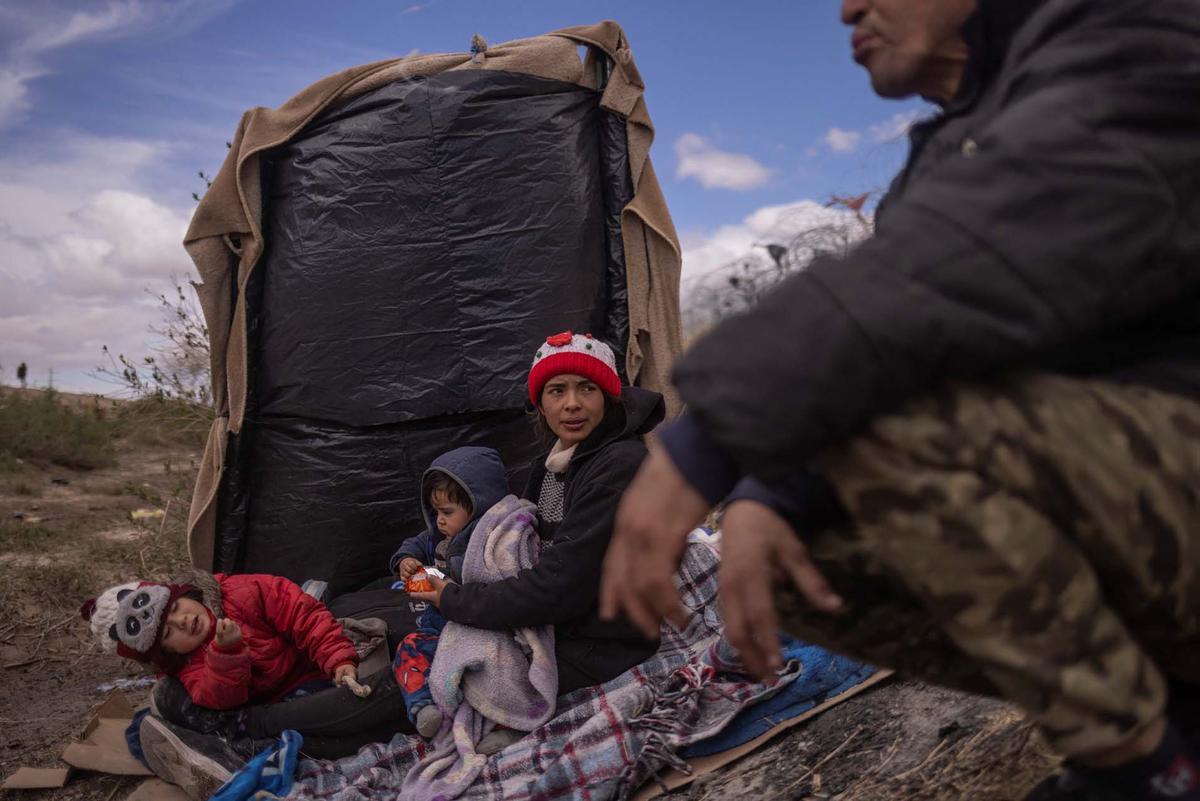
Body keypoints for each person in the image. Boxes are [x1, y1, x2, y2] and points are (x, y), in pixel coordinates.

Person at [598, 1, 1200, 800]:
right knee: (782, 548)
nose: (847, 8)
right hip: (1143, 491)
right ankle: (1163, 732)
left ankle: (1146, 773)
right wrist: (768, 493)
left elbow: (990, 243)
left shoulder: (1134, 35)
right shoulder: (956, 148)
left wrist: (710, 438)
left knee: (886, 435)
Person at [412, 331, 664, 704]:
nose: (572, 404)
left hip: (603, 641)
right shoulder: (552, 467)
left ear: (609, 398)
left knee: (432, 669)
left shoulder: (620, 467)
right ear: (541, 404)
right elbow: (517, 548)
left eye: (587, 389)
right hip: (552, 623)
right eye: (557, 390)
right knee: (418, 641)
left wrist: (454, 599)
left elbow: (560, 587)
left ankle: (296, 726)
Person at [82, 572, 414, 794]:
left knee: (350, 712)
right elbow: (218, 696)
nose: (183, 620)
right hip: (280, 703)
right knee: (320, 741)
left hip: (316, 673)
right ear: (167, 653)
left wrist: (338, 657)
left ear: (186, 593)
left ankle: (242, 745)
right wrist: (227, 654)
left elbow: (304, 616)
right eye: (169, 632)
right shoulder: (187, 668)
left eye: (176, 608)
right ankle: (247, 750)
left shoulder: (242, 593)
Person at [388, 446, 509, 739]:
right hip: (439, 627)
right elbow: (415, 543)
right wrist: (406, 561)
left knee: (499, 675)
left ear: (477, 506)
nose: (439, 520)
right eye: (436, 512)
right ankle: (423, 708)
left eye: (447, 512)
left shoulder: (491, 543)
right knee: (409, 649)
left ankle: (503, 722)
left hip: (482, 630)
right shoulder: (439, 538)